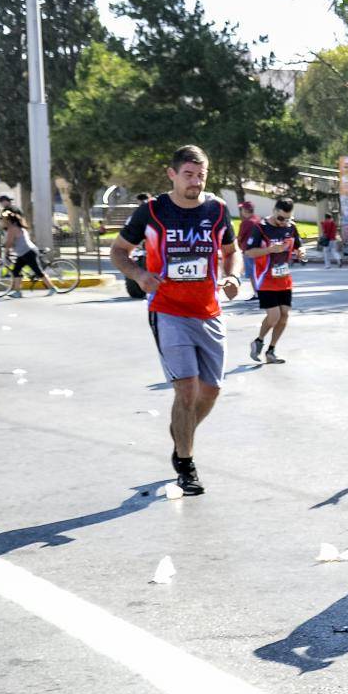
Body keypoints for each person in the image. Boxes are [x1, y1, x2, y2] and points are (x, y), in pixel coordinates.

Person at [111, 145, 241, 496]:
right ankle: (186, 464)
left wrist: (233, 276)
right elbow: (118, 251)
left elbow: (232, 252)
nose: (195, 182)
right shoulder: (152, 211)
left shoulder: (217, 209)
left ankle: (182, 434)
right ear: (172, 174)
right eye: (188, 175)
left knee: (211, 391)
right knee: (186, 389)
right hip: (168, 310)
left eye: (201, 176)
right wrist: (139, 274)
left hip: (209, 311)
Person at [243, 197, 305, 364]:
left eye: (288, 219)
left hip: (284, 279)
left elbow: (299, 245)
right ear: (274, 211)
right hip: (265, 279)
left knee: (284, 316)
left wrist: (301, 252)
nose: (284, 222)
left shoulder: (291, 227)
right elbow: (249, 252)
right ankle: (259, 341)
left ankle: (271, 351)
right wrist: (269, 250)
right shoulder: (260, 227)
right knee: (274, 316)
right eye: (281, 218)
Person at [0, 210, 50, 293]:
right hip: (23, 253)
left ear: (8, 220)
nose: (2, 221)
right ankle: (17, 292)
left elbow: (9, 243)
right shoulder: (17, 227)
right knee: (16, 271)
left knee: (38, 272)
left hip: (28, 252)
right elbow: (13, 243)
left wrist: (6, 251)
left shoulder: (12, 229)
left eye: (3, 219)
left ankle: (52, 288)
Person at [236, 200, 261, 296]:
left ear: (246, 210)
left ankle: (257, 293)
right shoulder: (258, 220)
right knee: (259, 271)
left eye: (242, 209)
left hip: (248, 251)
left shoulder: (246, 223)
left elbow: (240, 237)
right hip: (260, 250)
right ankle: (263, 291)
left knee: (251, 273)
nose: (241, 211)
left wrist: (238, 247)